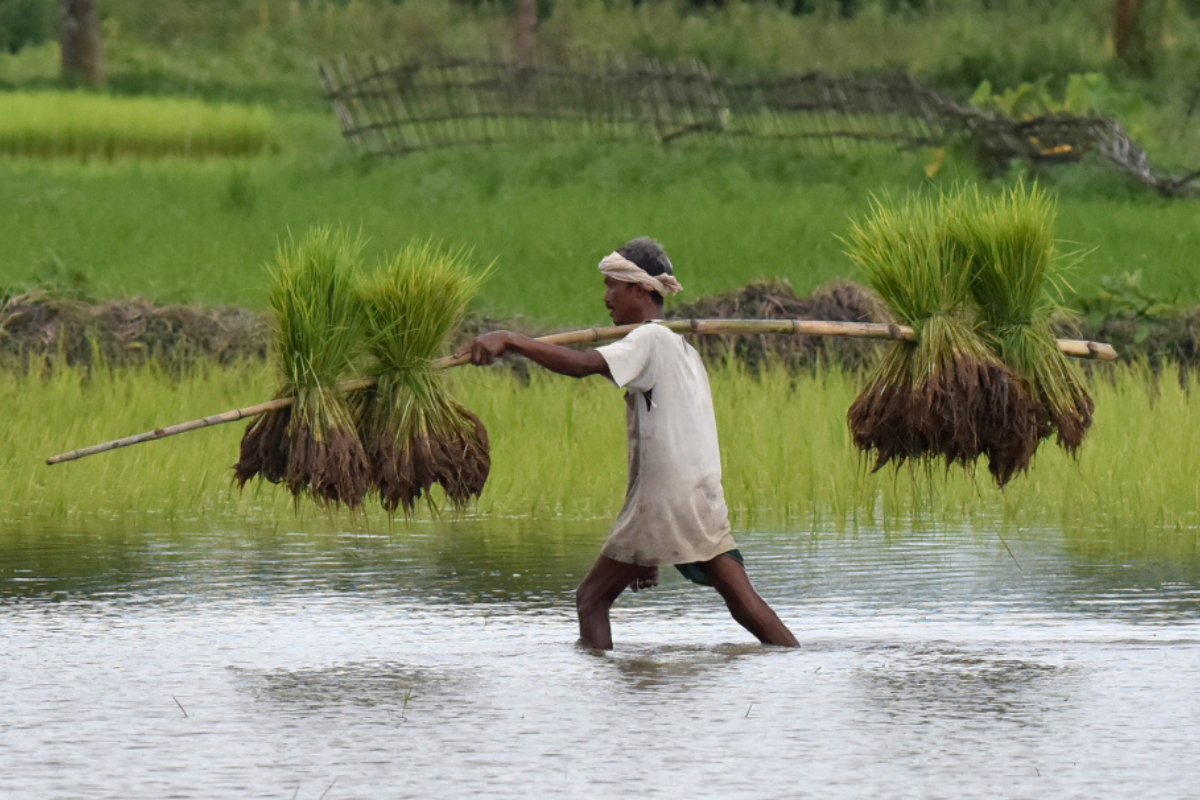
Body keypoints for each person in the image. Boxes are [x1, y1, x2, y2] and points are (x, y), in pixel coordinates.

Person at [459, 238, 798, 650]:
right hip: (700, 494)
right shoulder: (682, 349)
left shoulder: (650, 340)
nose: (606, 299)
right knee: (742, 601)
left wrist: (512, 340)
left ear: (639, 290)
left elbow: (584, 366)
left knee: (591, 599)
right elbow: (659, 443)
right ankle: (794, 660)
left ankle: (606, 699)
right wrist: (646, 545)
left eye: (611, 286)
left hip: (668, 499)